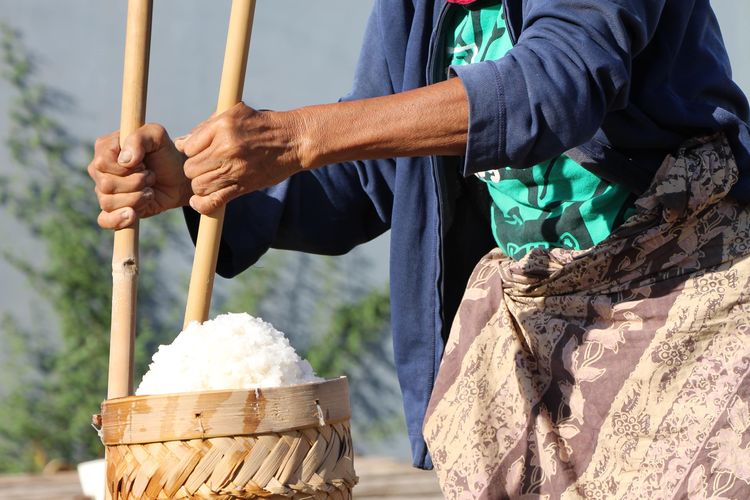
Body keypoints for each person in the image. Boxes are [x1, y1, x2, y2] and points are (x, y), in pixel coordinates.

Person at [88, 0, 750, 497]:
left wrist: (297, 136)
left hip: (689, 293)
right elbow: (368, 175)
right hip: (536, 324)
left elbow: (552, 87)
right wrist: (197, 179)